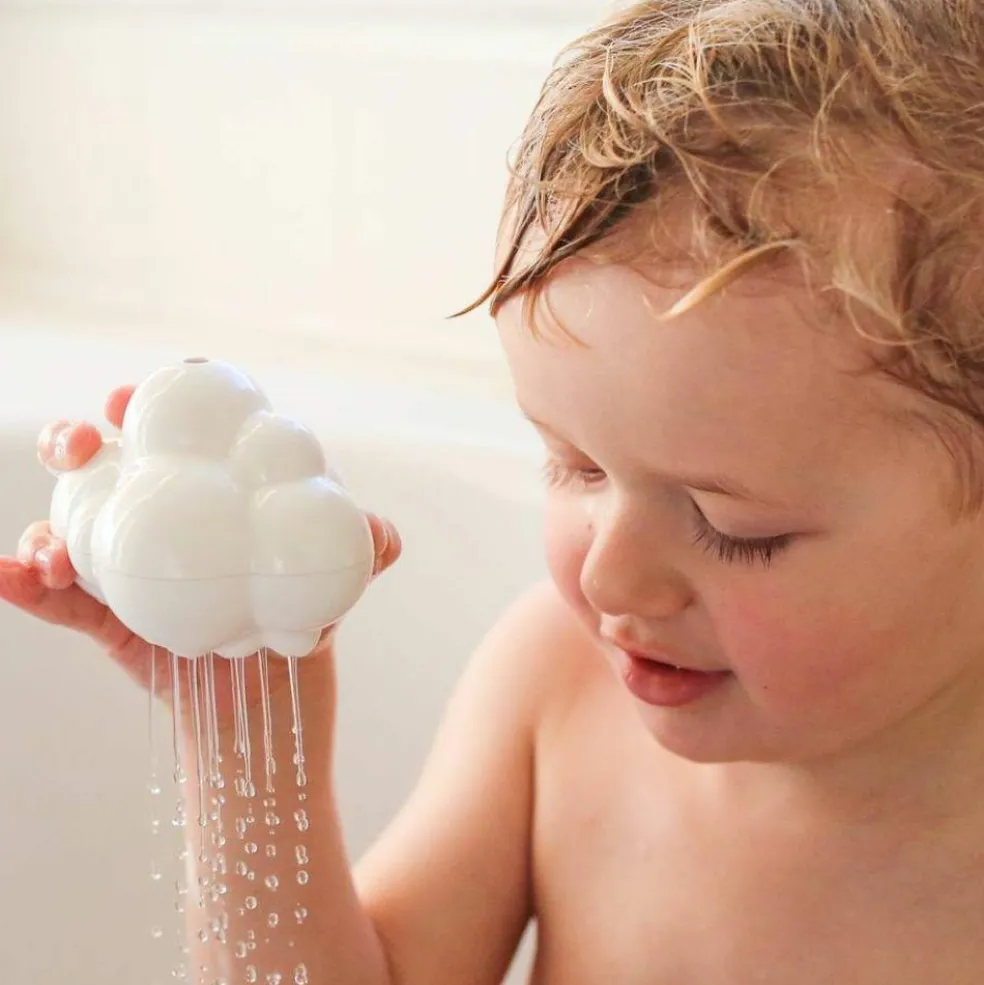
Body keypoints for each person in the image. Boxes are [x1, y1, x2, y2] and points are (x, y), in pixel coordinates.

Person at [5, 1, 984, 981]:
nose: (608, 577)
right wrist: (242, 724)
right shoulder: (558, 686)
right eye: (574, 465)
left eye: (737, 528)